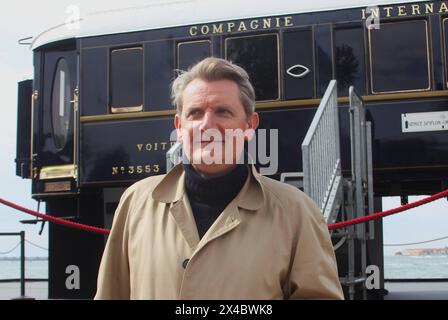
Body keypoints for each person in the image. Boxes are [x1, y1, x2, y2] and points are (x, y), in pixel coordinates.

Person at [94, 57, 344, 300]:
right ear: (179, 128)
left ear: (249, 126)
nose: (207, 125)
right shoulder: (136, 203)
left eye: (222, 112)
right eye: (195, 113)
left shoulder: (296, 213)